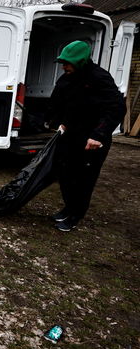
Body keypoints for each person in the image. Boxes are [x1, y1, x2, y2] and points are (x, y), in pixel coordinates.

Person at [46, 40, 126, 232]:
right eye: (62, 62)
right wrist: (57, 122)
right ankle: (68, 207)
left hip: (93, 140)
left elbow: (116, 108)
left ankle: (75, 215)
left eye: (67, 63)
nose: (63, 66)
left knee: (83, 179)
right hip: (71, 136)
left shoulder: (99, 78)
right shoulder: (66, 78)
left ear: (80, 61)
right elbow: (57, 102)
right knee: (65, 175)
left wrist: (98, 135)